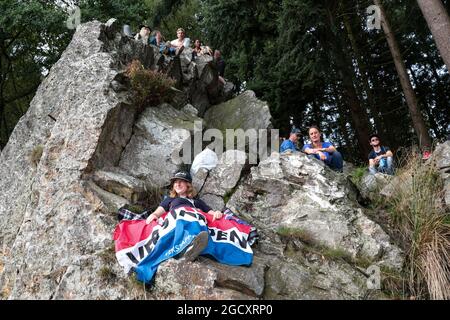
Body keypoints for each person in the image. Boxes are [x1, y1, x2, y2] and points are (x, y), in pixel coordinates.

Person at [145, 170, 223, 261]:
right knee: (184, 218)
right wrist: (153, 215)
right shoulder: (170, 199)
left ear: (188, 185)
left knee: (196, 219)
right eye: (175, 182)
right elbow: (157, 212)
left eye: (180, 182)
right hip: (178, 220)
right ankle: (186, 247)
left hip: (194, 219)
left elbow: (211, 212)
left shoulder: (197, 202)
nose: (177, 184)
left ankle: (190, 247)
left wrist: (217, 213)